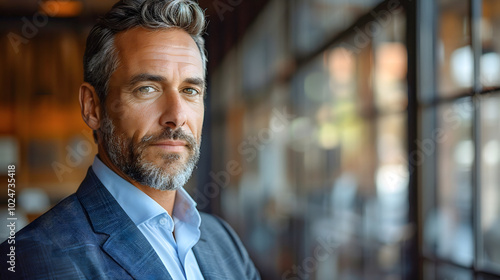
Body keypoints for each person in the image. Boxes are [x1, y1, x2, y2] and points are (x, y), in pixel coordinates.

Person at [0, 0, 260, 279]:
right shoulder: (34, 259)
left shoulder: (223, 241)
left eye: (190, 90)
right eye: (147, 88)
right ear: (93, 107)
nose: (176, 116)